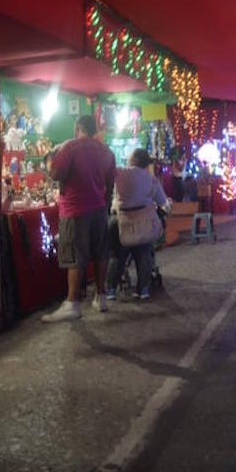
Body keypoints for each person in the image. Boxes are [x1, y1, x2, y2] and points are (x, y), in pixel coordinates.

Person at [43, 115, 116, 322]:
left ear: (77, 129)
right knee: (100, 253)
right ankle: (101, 296)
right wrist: (105, 204)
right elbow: (110, 184)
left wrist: (50, 158)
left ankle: (72, 302)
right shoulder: (106, 151)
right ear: (95, 129)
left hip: (75, 209)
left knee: (75, 254)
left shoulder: (71, 147)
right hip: (99, 208)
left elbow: (55, 173)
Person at [105, 149, 169, 301]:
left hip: (120, 221)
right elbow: (162, 201)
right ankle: (143, 289)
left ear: (133, 159)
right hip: (143, 223)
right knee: (144, 253)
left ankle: (111, 289)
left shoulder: (120, 172)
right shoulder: (151, 179)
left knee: (116, 255)